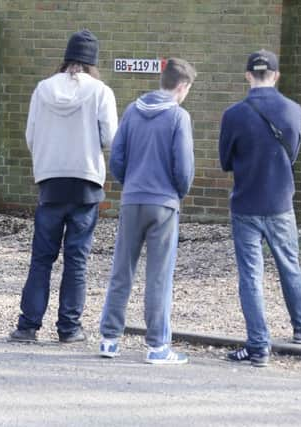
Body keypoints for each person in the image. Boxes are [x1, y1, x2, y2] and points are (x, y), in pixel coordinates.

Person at [8, 29, 118, 343]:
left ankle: (27, 325)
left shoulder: (42, 89)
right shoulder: (100, 92)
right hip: (85, 182)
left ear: (66, 58)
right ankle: (69, 328)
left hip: (50, 181)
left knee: (41, 257)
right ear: (92, 62)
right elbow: (111, 138)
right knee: (77, 258)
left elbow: (30, 135)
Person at [219, 50, 301, 368]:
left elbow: (224, 162)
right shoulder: (294, 110)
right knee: (289, 266)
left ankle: (258, 346)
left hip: (246, 203)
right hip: (280, 203)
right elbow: (293, 155)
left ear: (248, 75)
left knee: (251, 277)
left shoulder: (233, 114)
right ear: (275, 75)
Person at [98, 58, 196, 365]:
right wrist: (176, 193)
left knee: (121, 270)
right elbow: (184, 168)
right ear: (181, 86)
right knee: (158, 276)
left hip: (132, 199)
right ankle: (157, 346)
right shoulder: (179, 117)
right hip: (163, 202)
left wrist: (131, 183)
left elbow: (117, 157)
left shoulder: (132, 111)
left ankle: (109, 340)